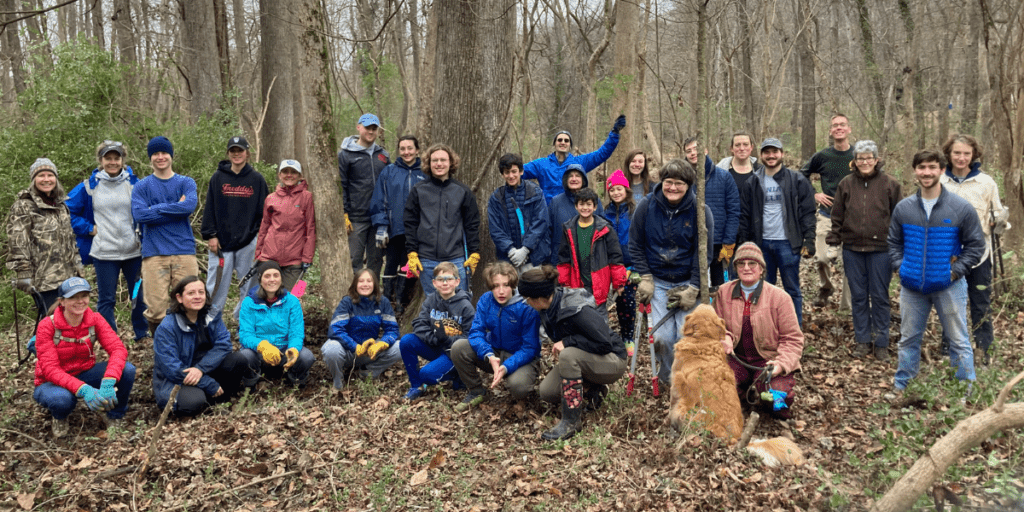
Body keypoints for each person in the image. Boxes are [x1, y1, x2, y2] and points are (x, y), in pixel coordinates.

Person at [887, 150, 985, 400]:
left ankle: (964, 392)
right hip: (912, 287)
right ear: (915, 171)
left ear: (942, 170)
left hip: (949, 286)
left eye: (932, 167)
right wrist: (901, 267)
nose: (927, 172)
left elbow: (975, 246)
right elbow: (893, 243)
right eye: (921, 167)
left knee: (958, 340)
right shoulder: (904, 208)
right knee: (908, 339)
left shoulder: (960, 208)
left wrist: (954, 272)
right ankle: (902, 387)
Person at [628, 158, 714, 386]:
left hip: (687, 280)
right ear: (662, 181)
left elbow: (704, 253)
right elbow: (635, 244)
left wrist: (694, 286)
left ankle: (689, 381)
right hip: (658, 281)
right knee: (663, 338)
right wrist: (645, 277)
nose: (673, 188)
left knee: (686, 336)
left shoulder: (701, 211)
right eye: (668, 182)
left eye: (679, 183)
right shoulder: (646, 206)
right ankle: (669, 380)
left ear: (688, 185)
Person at [520, 266, 626, 440]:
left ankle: (571, 421)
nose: (527, 303)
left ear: (538, 298)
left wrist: (568, 343)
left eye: (528, 299)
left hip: (614, 360)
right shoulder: (548, 309)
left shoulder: (576, 309)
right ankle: (594, 389)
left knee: (568, 355)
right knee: (547, 391)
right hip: (590, 357)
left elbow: (604, 343)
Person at [66, 141, 149, 343]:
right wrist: (87, 228)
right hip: (104, 254)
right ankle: (110, 338)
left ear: (122, 160)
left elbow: (148, 211)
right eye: (108, 158)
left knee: (138, 295)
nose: (112, 162)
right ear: (101, 160)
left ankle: (141, 333)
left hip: (134, 252)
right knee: (106, 300)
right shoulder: (89, 186)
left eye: (116, 158)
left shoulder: (135, 185)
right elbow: (67, 211)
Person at [826, 140, 901, 361]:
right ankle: (862, 340)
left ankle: (881, 342)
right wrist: (833, 241)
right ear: (854, 161)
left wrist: (899, 248)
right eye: (860, 158)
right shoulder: (846, 184)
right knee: (858, 296)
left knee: (879, 296)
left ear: (876, 160)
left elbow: (899, 217)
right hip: (852, 249)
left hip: (881, 249)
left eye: (869, 158)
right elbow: (837, 215)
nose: (865, 162)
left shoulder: (890, 184)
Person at [939, 134, 1010, 366]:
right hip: (947, 254)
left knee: (980, 302)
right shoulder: (939, 181)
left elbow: (999, 213)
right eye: (957, 153)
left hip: (980, 254)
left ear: (974, 155)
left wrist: (998, 222)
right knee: (949, 302)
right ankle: (949, 346)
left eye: (966, 153)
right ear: (949, 154)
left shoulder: (986, 183)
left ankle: (985, 348)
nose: (961, 157)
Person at [33, 277, 135, 437]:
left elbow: (118, 349)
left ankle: (115, 416)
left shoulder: (95, 319)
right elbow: (50, 370)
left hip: (84, 372)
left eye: (84, 296)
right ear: (62, 301)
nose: (80, 301)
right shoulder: (47, 325)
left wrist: (109, 380)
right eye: (73, 297)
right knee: (62, 400)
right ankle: (60, 416)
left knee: (127, 370)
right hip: (51, 383)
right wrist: (84, 389)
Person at [713, 243, 803, 419]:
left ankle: (776, 412)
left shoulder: (779, 297)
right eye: (741, 264)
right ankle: (742, 393)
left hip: (768, 363)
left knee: (779, 396)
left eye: (752, 263)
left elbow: (792, 339)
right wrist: (725, 337)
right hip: (736, 360)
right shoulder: (724, 292)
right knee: (717, 389)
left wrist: (780, 364)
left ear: (761, 268)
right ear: (736, 268)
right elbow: (716, 327)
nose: (746, 268)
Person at [737, 138, 816, 326]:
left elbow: (808, 211)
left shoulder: (797, 180)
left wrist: (809, 239)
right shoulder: (753, 181)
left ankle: (794, 329)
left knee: (792, 289)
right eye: (767, 152)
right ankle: (766, 328)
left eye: (775, 152)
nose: (771, 156)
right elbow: (745, 215)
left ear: (782, 154)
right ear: (761, 155)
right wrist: (744, 243)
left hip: (788, 243)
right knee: (763, 288)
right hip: (761, 244)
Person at [152, 276, 252, 416]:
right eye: (191, 293)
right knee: (194, 402)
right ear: (179, 298)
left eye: (201, 292)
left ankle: (219, 399)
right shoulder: (167, 327)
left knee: (238, 360)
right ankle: (207, 398)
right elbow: (172, 369)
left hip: (205, 369)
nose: (197, 297)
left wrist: (200, 369)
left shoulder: (211, 315)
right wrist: (206, 382)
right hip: (179, 380)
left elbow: (224, 345)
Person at [131, 136, 199, 333]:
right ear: (150, 158)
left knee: (189, 304)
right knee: (156, 309)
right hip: (154, 253)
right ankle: (163, 350)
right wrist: (174, 208)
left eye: (164, 153)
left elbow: (188, 206)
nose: (160, 157)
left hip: (184, 251)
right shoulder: (142, 186)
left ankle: (189, 349)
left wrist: (155, 209)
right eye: (155, 154)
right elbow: (140, 214)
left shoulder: (186, 182)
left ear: (171, 156)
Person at [451, 263, 540, 411]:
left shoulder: (526, 307)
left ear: (512, 285)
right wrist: (489, 354)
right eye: (496, 285)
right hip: (495, 352)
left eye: (505, 285)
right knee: (459, 347)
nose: (501, 291)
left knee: (518, 387)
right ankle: (476, 391)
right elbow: (476, 332)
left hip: (521, 357)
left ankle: (524, 393)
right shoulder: (486, 300)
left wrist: (507, 366)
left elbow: (530, 348)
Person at [200, 136, 269, 322]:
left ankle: (245, 321)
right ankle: (210, 323)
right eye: (233, 151)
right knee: (215, 284)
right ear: (228, 154)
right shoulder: (218, 178)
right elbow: (210, 208)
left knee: (250, 285)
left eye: (240, 150)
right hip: (221, 242)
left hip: (248, 242)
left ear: (247, 153)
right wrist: (211, 235)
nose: (237, 154)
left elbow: (265, 212)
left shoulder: (257, 179)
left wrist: (258, 237)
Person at [8, 158, 82, 318]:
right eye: (41, 175)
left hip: (68, 277)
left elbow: (70, 240)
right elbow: (18, 243)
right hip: (44, 279)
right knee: (50, 321)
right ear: (34, 179)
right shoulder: (24, 206)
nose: (46, 179)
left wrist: (78, 265)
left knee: (68, 320)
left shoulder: (61, 206)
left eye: (50, 175)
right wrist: (23, 273)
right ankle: (38, 344)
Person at [404, 143, 480, 295]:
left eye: (443, 160)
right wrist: (412, 252)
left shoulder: (463, 191)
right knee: (434, 306)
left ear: (451, 162)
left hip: (456, 259)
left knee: (459, 305)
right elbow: (410, 223)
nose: (439, 164)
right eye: (435, 160)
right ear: (428, 163)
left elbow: (472, 225)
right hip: (426, 259)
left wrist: (474, 253)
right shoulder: (418, 190)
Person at [399, 263, 475, 401]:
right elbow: (419, 323)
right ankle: (416, 387)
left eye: (449, 279)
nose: (445, 283)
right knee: (406, 341)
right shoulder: (431, 300)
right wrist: (436, 338)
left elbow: (470, 336)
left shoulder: (466, 306)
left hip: (454, 353)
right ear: (434, 283)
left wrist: (446, 339)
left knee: (426, 375)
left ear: (457, 281)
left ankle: (458, 374)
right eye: (440, 279)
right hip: (436, 346)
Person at [800, 114, 854, 310]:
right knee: (821, 257)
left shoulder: (858, 156)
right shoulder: (822, 156)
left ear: (848, 129)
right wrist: (814, 194)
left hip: (853, 219)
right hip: (826, 216)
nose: (838, 128)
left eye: (842, 125)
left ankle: (846, 306)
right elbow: (802, 174)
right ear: (830, 131)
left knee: (850, 263)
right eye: (835, 126)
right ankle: (826, 288)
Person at [322, 268, 403, 392]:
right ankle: (338, 382)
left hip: (371, 351)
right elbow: (335, 329)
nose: (365, 284)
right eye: (361, 281)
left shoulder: (383, 302)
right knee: (331, 347)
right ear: (355, 284)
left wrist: (382, 343)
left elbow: (392, 329)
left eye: (369, 281)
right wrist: (355, 346)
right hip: (348, 351)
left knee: (401, 345)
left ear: (375, 284)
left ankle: (368, 372)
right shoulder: (347, 302)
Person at [370, 135, 426, 312]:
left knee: (407, 264)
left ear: (417, 150)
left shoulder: (425, 172)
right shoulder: (389, 171)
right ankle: (387, 302)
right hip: (394, 228)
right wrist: (381, 225)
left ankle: (401, 303)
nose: (406, 152)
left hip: (418, 230)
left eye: (410, 148)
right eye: (402, 148)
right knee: (391, 262)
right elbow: (379, 199)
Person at [238, 262, 314, 388]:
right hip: (259, 354)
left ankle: (295, 382)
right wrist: (263, 346)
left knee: (306, 356)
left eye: (275, 275)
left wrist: (294, 348)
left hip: (284, 352)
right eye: (267, 276)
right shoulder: (248, 302)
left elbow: (296, 332)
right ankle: (251, 384)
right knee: (244, 356)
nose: (272, 279)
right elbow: (245, 335)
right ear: (260, 279)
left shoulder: (292, 301)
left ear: (281, 278)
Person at [523, 115, 626, 203]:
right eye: (559, 140)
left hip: (572, 211)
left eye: (566, 140)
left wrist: (615, 133)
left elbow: (601, 154)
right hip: (548, 213)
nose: (562, 142)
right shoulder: (541, 164)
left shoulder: (578, 163)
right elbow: (519, 171)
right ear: (554, 144)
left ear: (570, 145)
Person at [557, 188, 626, 317]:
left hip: (599, 282)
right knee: (580, 318)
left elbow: (615, 256)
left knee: (600, 320)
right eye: (581, 204)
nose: (585, 208)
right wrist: (564, 282)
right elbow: (564, 258)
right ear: (576, 206)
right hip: (577, 283)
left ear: (595, 207)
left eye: (589, 204)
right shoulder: (568, 229)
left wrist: (619, 282)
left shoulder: (605, 228)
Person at [683, 136, 740, 287]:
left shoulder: (724, 177)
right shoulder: (682, 178)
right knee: (694, 285)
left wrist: (728, 242)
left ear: (705, 150)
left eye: (696, 149)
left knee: (719, 288)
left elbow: (733, 211)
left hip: (717, 242)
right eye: (689, 151)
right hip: (690, 241)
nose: (693, 153)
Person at [339, 113, 390, 274]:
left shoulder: (383, 155)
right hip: (356, 218)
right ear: (359, 127)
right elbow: (342, 186)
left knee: (376, 259)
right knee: (354, 258)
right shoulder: (346, 154)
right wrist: (344, 212)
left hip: (378, 218)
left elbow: (389, 185)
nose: (371, 131)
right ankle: (355, 295)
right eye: (367, 128)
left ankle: (374, 295)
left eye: (374, 128)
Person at [255, 159, 317, 292]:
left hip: (295, 260)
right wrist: (258, 254)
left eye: (293, 172)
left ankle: (295, 313)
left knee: (294, 296)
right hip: (269, 257)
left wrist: (307, 257)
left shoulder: (307, 197)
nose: (289, 175)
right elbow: (264, 227)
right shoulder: (271, 198)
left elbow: (310, 229)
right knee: (268, 296)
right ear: (279, 175)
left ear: (300, 176)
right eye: (285, 172)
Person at [487, 152, 550, 273]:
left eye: (514, 171)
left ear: (521, 172)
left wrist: (525, 249)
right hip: (508, 259)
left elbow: (541, 222)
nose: (511, 176)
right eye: (507, 172)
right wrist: (511, 250)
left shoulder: (535, 192)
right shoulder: (496, 197)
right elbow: (495, 228)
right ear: (502, 174)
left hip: (534, 258)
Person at [603, 169, 638, 341]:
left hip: (630, 265)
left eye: (619, 189)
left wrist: (637, 267)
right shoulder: (604, 213)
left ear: (626, 190)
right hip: (610, 263)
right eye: (612, 190)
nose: (616, 193)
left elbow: (642, 239)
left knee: (627, 302)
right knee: (611, 301)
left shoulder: (635, 211)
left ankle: (628, 337)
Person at [547, 164, 605, 265]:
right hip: (561, 260)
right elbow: (547, 231)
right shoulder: (555, 202)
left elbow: (603, 230)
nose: (574, 179)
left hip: (589, 260)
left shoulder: (594, 201)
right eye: (570, 176)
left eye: (577, 176)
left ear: (583, 179)